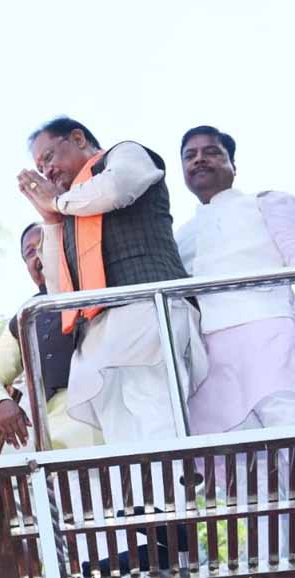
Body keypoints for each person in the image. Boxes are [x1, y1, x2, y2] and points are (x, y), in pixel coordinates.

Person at [17, 117, 206, 444]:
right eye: (39, 167)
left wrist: (57, 202)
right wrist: (51, 219)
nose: (47, 171)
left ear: (78, 139)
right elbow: (58, 291)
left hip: (148, 310)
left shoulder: (125, 154)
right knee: (122, 438)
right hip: (96, 336)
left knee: (157, 413)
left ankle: (176, 478)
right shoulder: (69, 208)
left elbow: (116, 189)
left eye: (48, 157)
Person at [175, 125, 295, 435]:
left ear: (233, 165)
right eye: (190, 156)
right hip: (208, 349)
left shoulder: (266, 202)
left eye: (211, 152)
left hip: (267, 325)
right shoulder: (182, 236)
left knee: (284, 417)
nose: (199, 159)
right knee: (235, 449)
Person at [0, 222, 103, 449]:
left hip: (114, 423)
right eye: (30, 252)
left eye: (46, 244)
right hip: (60, 440)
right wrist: (1, 402)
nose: (39, 256)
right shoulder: (27, 317)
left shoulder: (102, 289)